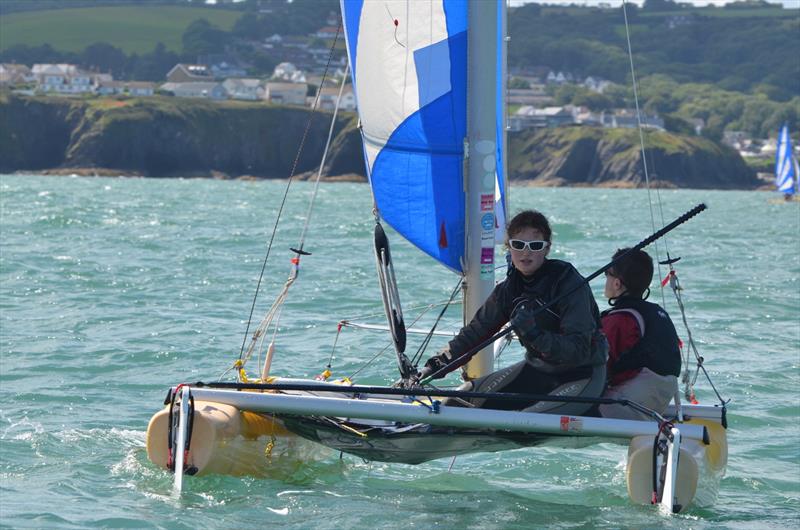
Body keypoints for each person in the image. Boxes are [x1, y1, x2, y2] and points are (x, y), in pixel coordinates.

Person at [417, 210, 608, 412]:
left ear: (547, 249)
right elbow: (474, 334)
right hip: (538, 370)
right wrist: (435, 366)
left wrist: (535, 335)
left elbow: (579, 350)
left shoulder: (567, 282)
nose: (526, 253)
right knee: (457, 402)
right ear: (509, 247)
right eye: (518, 245)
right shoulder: (507, 291)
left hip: (582, 375)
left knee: (524, 420)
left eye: (535, 246)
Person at [598, 248, 681, 421]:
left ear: (617, 283)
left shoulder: (619, 319)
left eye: (607, 274)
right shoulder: (657, 312)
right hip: (661, 399)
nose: (605, 279)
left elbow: (598, 365)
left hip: (631, 404)